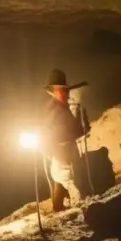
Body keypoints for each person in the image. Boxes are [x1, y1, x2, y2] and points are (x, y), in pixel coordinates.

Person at [42, 69, 87, 212]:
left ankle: (66, 207)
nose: (62, 92)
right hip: (58, 149)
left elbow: (79, 130)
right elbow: (48, 128)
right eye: (58, 89)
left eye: (63, 89)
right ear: (52, 91)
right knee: (65, 177)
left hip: (68, 148)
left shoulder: (69, 106)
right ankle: (76, 208)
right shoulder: (51, 108)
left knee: (66, 177)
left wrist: (76, 109)